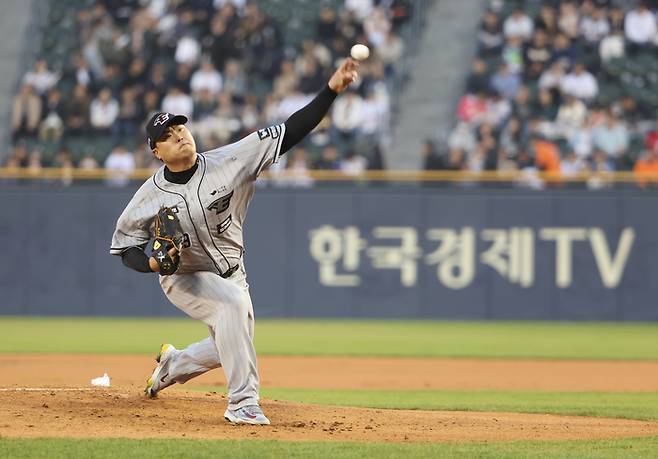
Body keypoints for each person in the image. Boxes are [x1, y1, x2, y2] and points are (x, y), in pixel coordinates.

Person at [109, 58, 360, 425]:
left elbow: (290, 131)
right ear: (156, 152)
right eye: (167, 135)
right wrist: (151, 263)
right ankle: (242, 403)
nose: (179, 135)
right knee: (232, 309)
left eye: (180, 127)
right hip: (185, 277)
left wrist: (332, 90)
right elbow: (125, 248)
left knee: (233, 337)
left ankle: (173, 364)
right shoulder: (148, 196)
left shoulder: (230, 160)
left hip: (233, 270)